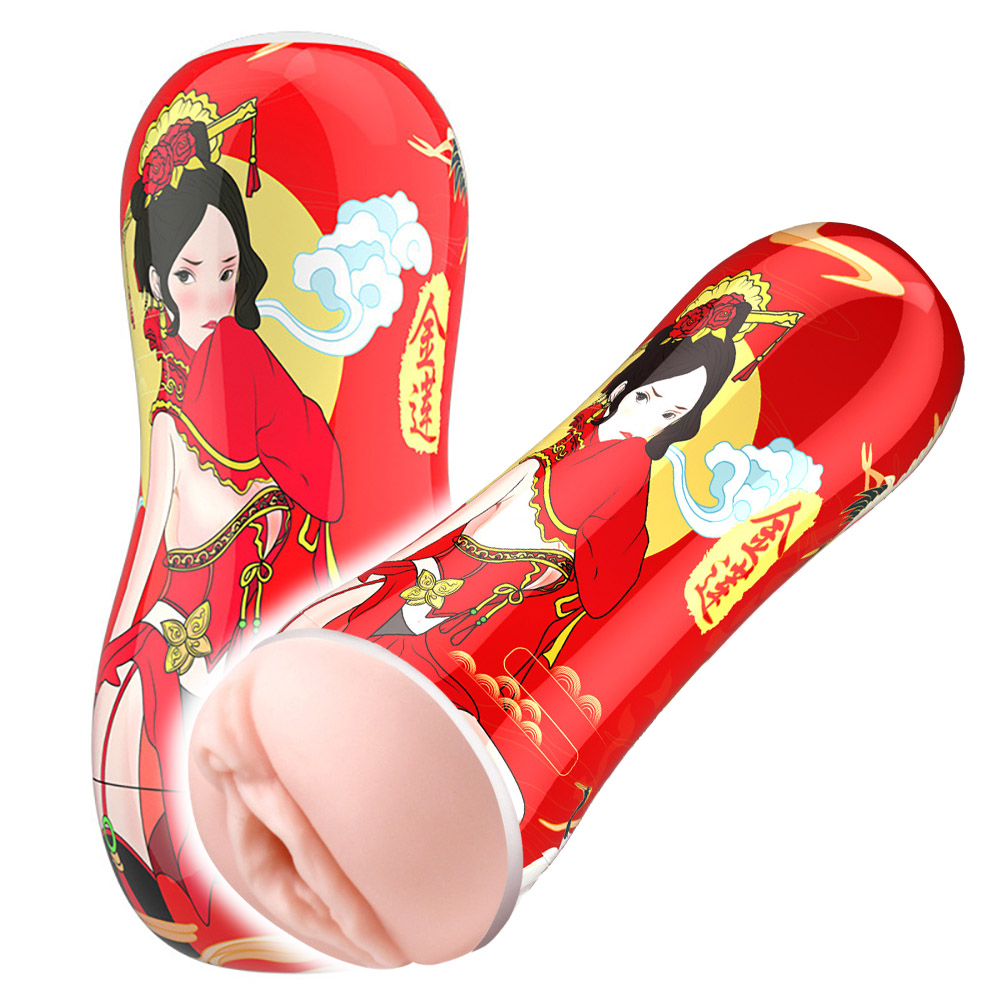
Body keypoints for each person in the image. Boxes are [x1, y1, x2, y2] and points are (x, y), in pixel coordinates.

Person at [94, 118, 345, 923]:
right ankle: (189, 889)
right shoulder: (171, 417)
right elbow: (154, 530)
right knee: (152, 726)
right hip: (184, 611)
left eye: (228, 272)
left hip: (265, 618)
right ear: (157, 282)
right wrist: (126, 638)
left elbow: (324, 483)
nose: (210, 296)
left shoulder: (257, 378)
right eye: (189, 273)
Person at [305, 295, 753, 716]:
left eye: (670, 415)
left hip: (508, 590)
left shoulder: (631, 465)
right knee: (374, 632)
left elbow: (609, 580)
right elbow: (482, 511)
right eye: (645, 397)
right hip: (458, 560)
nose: (647, 419)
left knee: (411, 665)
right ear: (624, 387)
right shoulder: (574, 444)